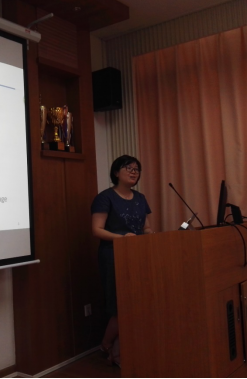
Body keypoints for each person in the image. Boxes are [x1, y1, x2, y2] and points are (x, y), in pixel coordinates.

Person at [90, 155, 153, 368]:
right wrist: (122, 238)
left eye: (137, 169)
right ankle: (107, 345)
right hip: (113, 255)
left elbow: (146, 228)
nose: (134, 172)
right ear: (116, 172)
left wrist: (152, 238)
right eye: (129, 168)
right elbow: (97, 230)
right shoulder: (105, 197)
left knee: (135, 303)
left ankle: (117, 352)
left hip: (138, 254)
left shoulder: (141, 198)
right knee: (120, 306)